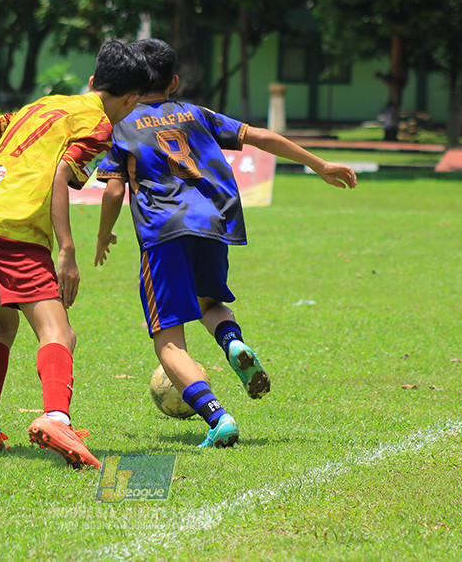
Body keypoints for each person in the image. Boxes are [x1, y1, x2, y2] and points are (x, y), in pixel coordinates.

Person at [94, 38, 357, 449]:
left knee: (168, 339)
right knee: (209, 304)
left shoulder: (121, 124)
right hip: (214, 222)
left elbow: (112, 192)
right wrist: (318, 164)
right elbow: (261, 137)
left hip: (164, 231)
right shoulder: (195, 113)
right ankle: (232, 343)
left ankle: (217, 417)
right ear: (174, 81)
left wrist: (103, 234)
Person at [0, 41, 150, 470]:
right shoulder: (98, 126)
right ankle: (57, 417)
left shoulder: (45, 104)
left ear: (94, 80)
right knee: (59, 333)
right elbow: (62, 174)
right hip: (15, 229)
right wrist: (68, 249)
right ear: (131, 100)